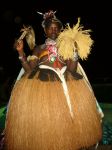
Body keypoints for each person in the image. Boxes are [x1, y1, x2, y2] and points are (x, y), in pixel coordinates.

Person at [4, 10, 103, 150]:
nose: (53, 30)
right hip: (43, 85)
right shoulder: (38, 49)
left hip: (67, 80)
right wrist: (21, 52)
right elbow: (29, 71)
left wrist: (74, 51)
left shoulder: (65, 46)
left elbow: (72, 70)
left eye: (56, 28)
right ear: (44, 30)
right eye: (50, 28)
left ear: (61, 30)